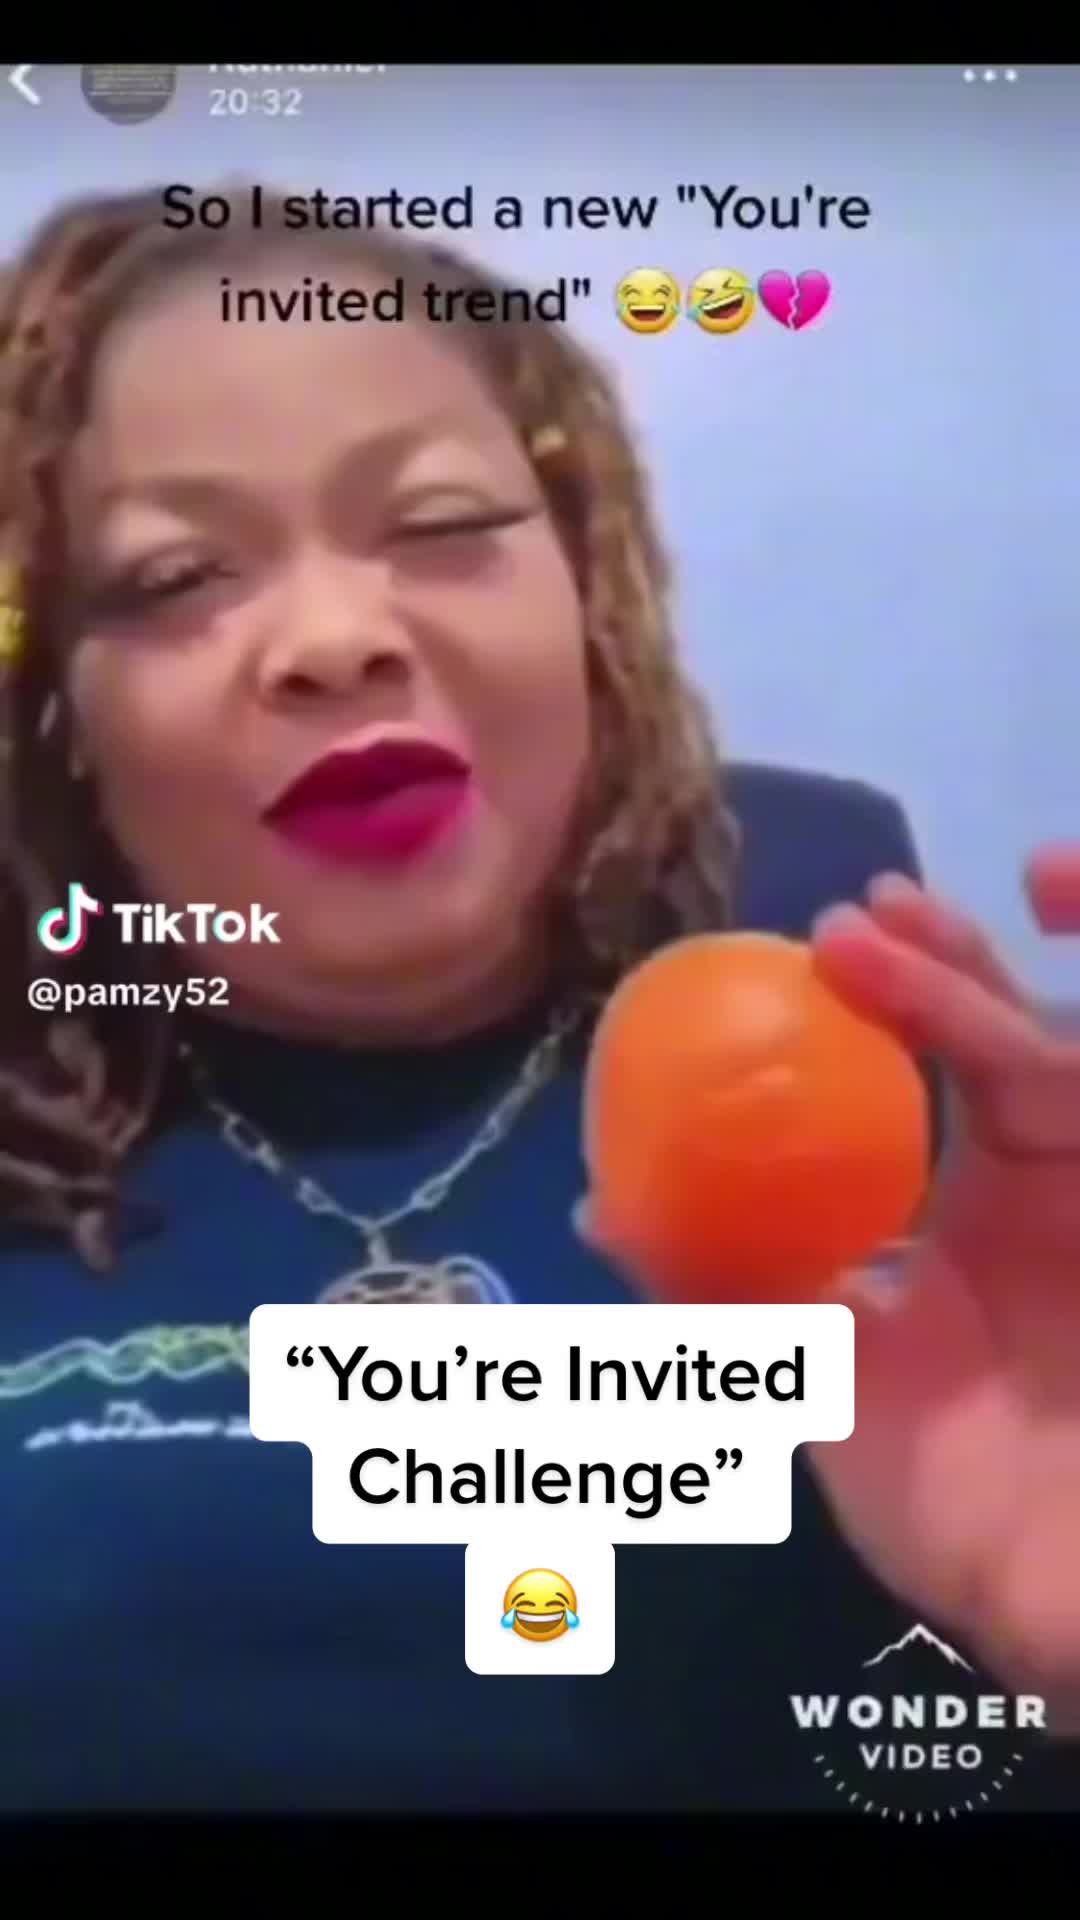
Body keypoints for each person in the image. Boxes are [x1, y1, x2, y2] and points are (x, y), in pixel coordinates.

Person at [0, 186, 1076, 1816]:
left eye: (440, 524)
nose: (336, 641)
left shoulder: (930, 1081)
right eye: (172, 576)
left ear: (586, 586)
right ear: (58, 704)